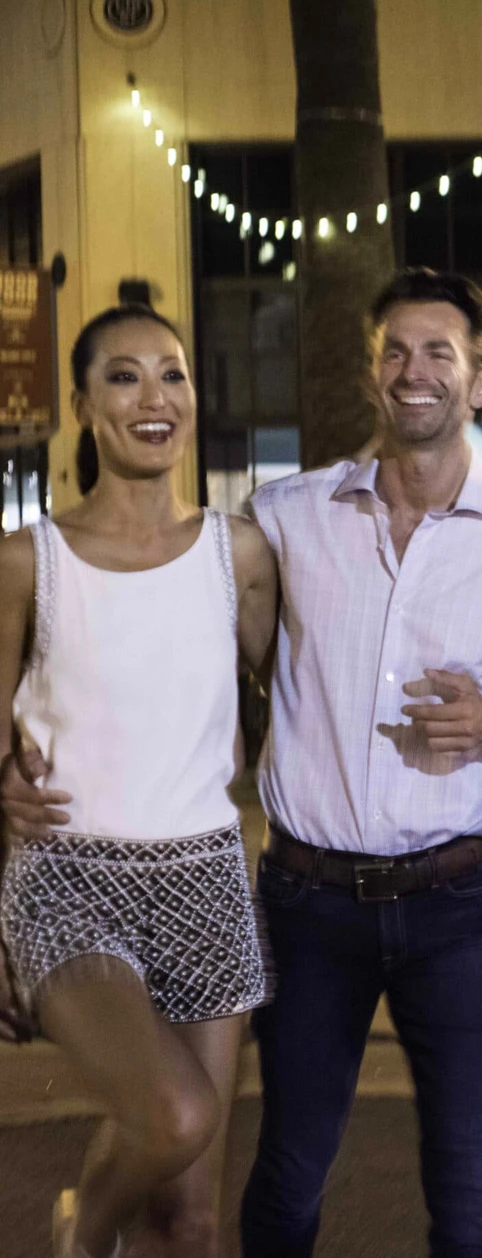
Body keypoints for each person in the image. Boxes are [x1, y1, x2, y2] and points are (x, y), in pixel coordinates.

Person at [234, 268, 482, 1256]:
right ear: (371, 372)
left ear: (478, 381)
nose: (414, 369)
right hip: (307, 902)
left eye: (440, 351)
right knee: (289, 1175)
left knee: (474, 1194)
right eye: (395, 349)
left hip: (457, 907)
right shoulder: (288, 516)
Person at [0, 305, 276, 1258]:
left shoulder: (236, 557)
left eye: (174, 374)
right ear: (81, 404)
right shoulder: (24, 563)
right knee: (171, 1115)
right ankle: (84, 1238)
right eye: (124, 376)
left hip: (204, 876)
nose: (154, 399)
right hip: (67, 877)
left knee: (193, 1219)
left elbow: (296, 694)